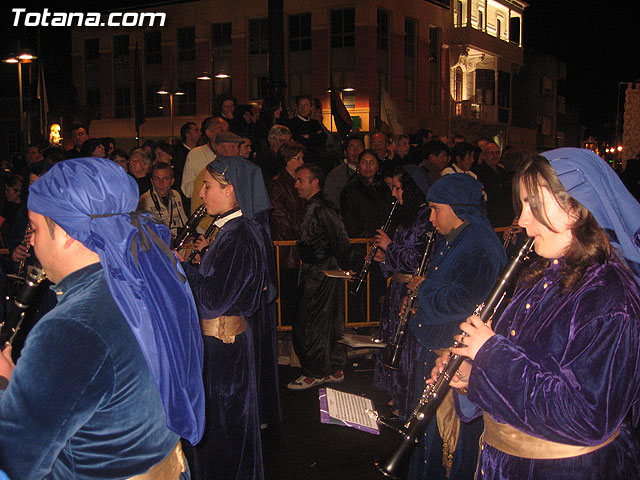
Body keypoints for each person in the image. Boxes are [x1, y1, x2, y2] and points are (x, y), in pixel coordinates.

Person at [435, 149, 640, 479]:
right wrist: (473, 377)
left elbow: (588, 418)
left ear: (576, 206)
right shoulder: (540, 274)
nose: (522, 220)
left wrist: (490, 353)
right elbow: (529, 377)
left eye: (534, 204)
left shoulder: (610, 296)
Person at [0, 157, 204, 479]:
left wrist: (6, 385)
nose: (32, 240)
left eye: (35, 228)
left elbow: (14, 458)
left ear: (66, 232)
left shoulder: (68, 330)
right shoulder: (147, 276)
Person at [178, 157, 274, 480]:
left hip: (224, 352)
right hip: (220, 350)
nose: (201, 194)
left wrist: (184, 269)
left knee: (223, 437)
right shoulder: (229, 231)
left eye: (207, 186)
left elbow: (211, 301)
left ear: (231, 191)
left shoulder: (240, 236)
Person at [407, 173, 507, 480]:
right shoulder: (460, 236)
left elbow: (470, 303)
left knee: (448, 447)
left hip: (455, 362)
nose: (432, 217)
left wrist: (423, 292)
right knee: (430, 443)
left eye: (437, 208)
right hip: (441, 355)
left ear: (458, 207)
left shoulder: (480, 244)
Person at [372, 165, 431, 419]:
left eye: (398, 188)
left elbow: (418, 259)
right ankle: (396, 398)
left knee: (406, 349)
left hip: (410, 289)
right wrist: (382, 258)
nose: (395, 194)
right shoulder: (408, 216)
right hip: (397, 288)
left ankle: (408, 406)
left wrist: (390, 247)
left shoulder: (425, 217)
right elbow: (397, 260)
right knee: (392, 342)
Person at [288, 164, 351, 390]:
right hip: (318, 270)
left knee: (311, 323)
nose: (296, 185)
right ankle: (329, 367)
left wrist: (343, 266)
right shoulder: (315, 206)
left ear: (315, 182)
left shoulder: (323, 208)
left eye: (300, 180)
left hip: (321, 272)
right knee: (323, 321)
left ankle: (316, 371)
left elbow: (341, 240)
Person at [267, 141, 306, 327]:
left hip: (300, 245)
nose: (301, 161)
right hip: (286, 247)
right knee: (287, 291)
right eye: (297, 158)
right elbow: (280, 218)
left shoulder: (302, 182)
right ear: (287, 160)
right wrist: (303, 232)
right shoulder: (277, 184)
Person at [139, 162, 189, 242]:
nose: (161, 183)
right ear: (152, 181)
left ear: (172, 181)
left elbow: (184, 221)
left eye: (165, 179)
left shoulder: (176, 195)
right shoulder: (143, 200)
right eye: (156, 179)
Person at [324, 135, 364, 211]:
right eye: (352, 148)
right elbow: (331, 203)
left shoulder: (369, 171)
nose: (356, 152)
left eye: (359, 147)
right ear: (345, 153)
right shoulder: (335, 176)